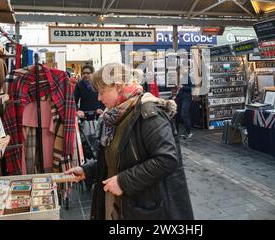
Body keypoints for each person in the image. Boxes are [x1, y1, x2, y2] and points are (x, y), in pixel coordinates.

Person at [65, 63, 194, 220]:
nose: (99, 98)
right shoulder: (114, 115)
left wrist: (123, 181)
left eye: (101, 92)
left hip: (143, 208)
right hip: (120, 205)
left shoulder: (149, 114)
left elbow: (166, 159)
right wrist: (88, 170)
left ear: (118, 86)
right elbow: (115, 156)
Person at [74, 65, 105, 160]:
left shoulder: (98, 84)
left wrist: (102, 109)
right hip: (85, 118)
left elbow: (103, 97)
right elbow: (74, 100)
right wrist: (78, 111)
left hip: (98, 116)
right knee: (86, 141)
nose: (85, 75)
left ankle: (98, 159)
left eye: (88, 73)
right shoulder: (79, 85)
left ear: (92, 73)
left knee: (98, 140)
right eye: (83, 73)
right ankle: (88, 159)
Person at [176, 68, 193, 139]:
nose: (179, 73)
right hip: (182, 99)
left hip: (187, 98)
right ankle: (187, 131)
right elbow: (181, 90)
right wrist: (176, 96)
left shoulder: (188, 77)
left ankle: (189, 132)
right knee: (184, 115)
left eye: (179, 72)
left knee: (184, 115)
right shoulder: (183, 77)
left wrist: (183, 87)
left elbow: (191, 88)